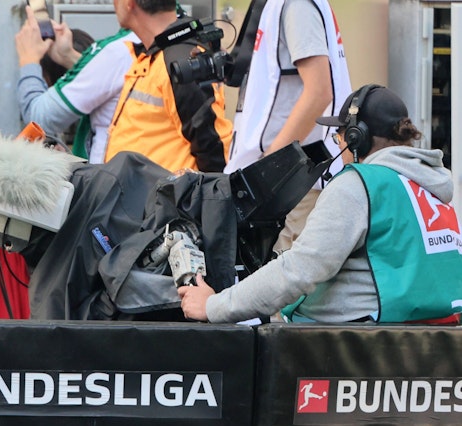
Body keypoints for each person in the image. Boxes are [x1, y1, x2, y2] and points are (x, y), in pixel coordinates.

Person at [178, 85, 462, 325]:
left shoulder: (359, 184)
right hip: (426, 342)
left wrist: (212, 306)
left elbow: (299, 270)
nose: (339, 141)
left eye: (340, 134)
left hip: (352, 346)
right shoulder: (430, 185)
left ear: (355, 139)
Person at [224, 0, 352, 253]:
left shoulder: (296, 5)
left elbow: (319, 93)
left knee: (275, 285)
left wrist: (269, 166)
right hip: (287, 182)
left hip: (289, 186)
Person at [103, 0, 232, 173]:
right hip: (141, 196)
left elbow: (213, 149)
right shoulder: (157, 54)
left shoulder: (179, 61)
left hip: (165, 198)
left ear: (129, 3)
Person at [15, 5, 140, 164]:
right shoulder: (158, 44)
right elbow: (103, 79)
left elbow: (38, 119)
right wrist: (68, 57)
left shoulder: (118, 50)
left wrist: (29, 59)